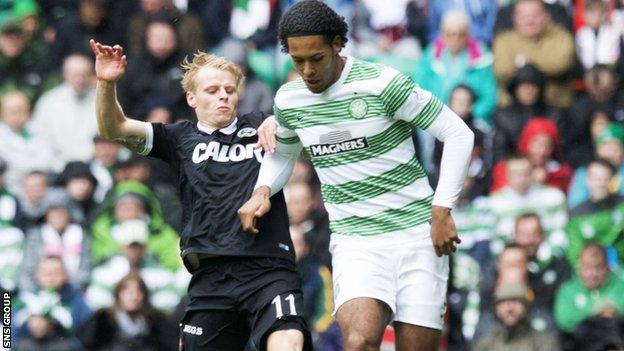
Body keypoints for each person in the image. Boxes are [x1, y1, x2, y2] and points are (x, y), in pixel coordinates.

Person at [238, 1, 475, 350]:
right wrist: (262, 190)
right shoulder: (289, 100)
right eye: (297, 60)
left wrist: (442, 209)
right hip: (355, 241)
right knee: (360, 341)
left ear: (337, 44)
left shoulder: (382, 83)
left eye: (316, 58)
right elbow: (284, 153)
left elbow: (458, 133)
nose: (307, 70)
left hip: (416, 235)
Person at [90, 39, 311, 351]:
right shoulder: (179, 138)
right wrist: (106, 83)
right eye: (212, 90)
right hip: (210, 275)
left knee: (288, 342)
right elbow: (113, 127)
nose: (223, 95)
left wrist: (281, 120)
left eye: (230, 89)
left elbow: (307, 107)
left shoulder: (262, 125)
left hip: (268, 268)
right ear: (191, 98)